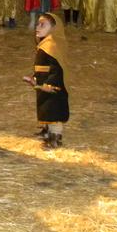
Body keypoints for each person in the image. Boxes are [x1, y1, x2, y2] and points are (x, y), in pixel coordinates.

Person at [22, 13, 69, 149]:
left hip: (53, 88)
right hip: (43, 85)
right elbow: (41, 66)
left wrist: (50, 84)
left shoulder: (52, 46)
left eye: (43, 24)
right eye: (38, 24)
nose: (38, 27)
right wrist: (35, 78)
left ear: (53, 28)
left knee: (53, 112)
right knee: (45, 109)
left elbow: (57, 69)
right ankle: (46, 132)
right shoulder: (45, 44)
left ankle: (55, 139)